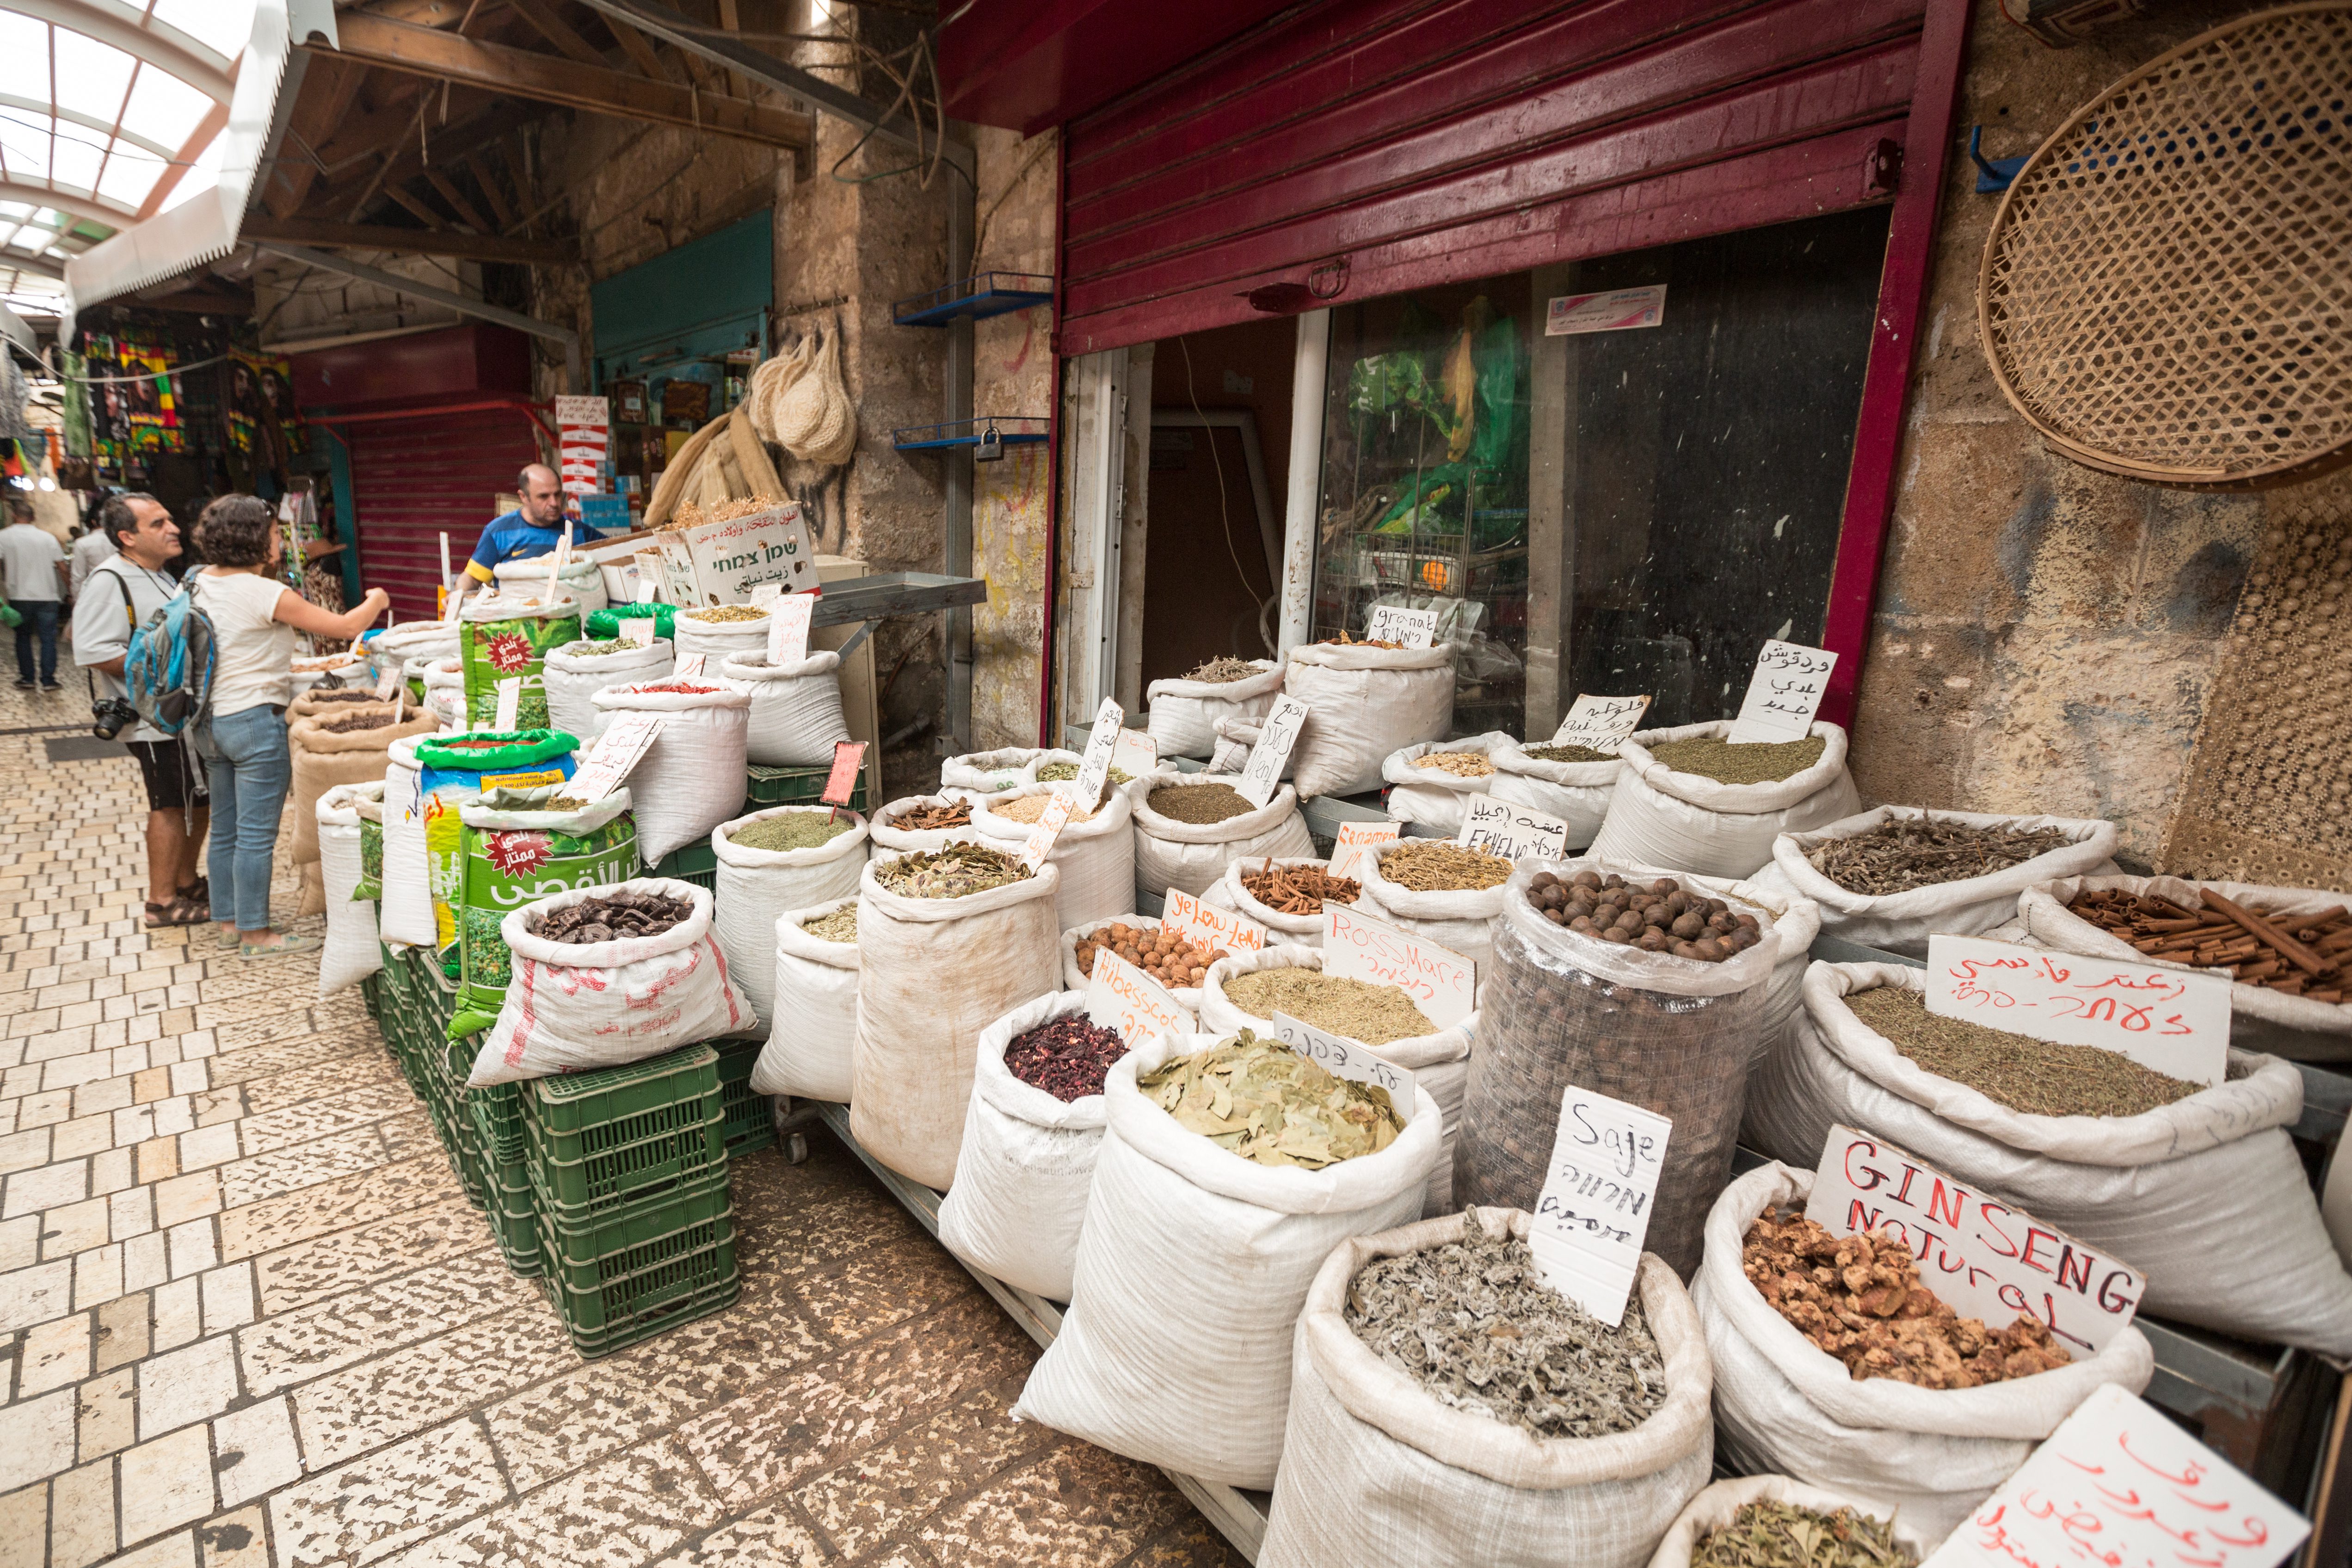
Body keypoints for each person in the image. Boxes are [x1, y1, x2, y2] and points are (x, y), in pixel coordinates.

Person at [187, 495, 389, 959]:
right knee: (257, 831)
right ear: (254, 539)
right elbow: (345, 625)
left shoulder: (197, 581)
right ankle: (256, 934)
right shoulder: (261, 592)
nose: (281, 542)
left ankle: (228, 920)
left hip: (208, 722)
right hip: (254, 721)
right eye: (276, 534)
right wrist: (377, 598)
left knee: (225, 827)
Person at [73, 494, 210, 928]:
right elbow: (95, 650)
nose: (173, 528)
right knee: (168, 803)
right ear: (126, 537)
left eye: (171, 519)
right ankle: (161, 901)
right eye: (158, 524)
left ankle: (186, 882)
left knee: (195, 798)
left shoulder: (161, 575)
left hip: (180, 716)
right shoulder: (109, 579)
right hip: (152, 717)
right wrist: (163, 676)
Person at [0, 492, 67, 690]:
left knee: (23, 637)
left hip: (19, 596)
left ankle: (28, 678)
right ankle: (48, 680)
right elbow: (62, 567)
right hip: (48, 597)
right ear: (34, 518)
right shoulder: (48, 538)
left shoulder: (4, 537)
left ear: (14, 516)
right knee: (48, 639)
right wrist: (71, 590)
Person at [462, 462, 568, 586]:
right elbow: (472, 579)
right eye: (544, 496)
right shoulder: (498, 532)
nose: (554, 503)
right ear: (523, 497)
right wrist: (457, 597)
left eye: (558, 494)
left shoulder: (578, 530)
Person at [70, 509, 116, 598]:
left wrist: (77, 600)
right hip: (120, 591)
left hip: (95, 593)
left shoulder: (82, 543)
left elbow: (78, 577)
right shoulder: (121, 541)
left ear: (94, 522)